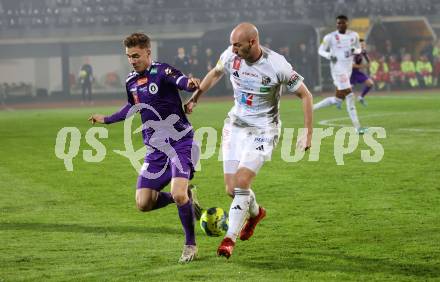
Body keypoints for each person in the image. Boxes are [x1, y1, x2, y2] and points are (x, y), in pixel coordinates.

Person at [184, 22, 313, 259]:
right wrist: (194, 99)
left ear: (252, 42)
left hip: (264, 129)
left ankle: (228, 240)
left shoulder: (277, 65)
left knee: (242, 181)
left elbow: (305, 94)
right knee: (232, 189)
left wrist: (308, 132)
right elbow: (215, 73)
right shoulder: (230, 55)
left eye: (237, 44)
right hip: (235, 126)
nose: (233, 49)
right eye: (232, 44)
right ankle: (255, 213)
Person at [88, 33, 201, 263]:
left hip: (181, 143)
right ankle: (187, 197)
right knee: (143, 203)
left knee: (178, 192)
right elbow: (131, 107)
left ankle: (190, 244)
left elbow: (183, 83)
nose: (132, 60)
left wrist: (191, 84)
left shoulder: (163, 71)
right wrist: (107, 119)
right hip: (155, 150)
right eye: (129, 56)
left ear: (148, 52)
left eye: (136, 55)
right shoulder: (130, 81)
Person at [315, 15, 366, 135]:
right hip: (337, 69)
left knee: (338, 98)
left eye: (342, 23)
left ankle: (311, 108)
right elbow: (320, 50)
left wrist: (355, 51)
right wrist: (328, 55)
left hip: (348, 69)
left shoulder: (354, 36)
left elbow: (359, 50)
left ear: (347, 23)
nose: (340, 25)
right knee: (350, 96)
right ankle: (358, 127)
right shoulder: (330, 37)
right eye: (338, 23)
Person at [350, 39, 374, 106]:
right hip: (350, 73)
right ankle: (337, 100)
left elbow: (368, 60)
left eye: (364, 44)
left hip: (357, 72)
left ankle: (360, 98)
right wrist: (364, 66)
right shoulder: (353, 52)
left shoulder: (363, 51)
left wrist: (369, 63)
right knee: (347, 92)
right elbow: (352, 66)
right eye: (361, 44)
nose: (363, 46)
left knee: (370, 83)